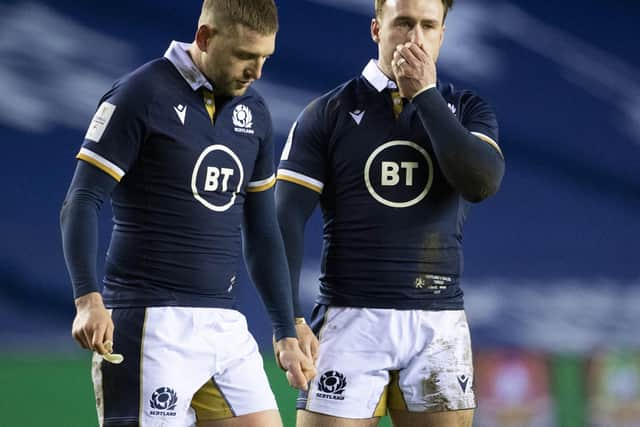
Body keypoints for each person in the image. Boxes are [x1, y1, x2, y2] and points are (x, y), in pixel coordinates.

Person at [60, 1, 315, 426]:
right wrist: (88, 300)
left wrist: (286, 328)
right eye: (244, 57)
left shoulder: (255, 113)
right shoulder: (140, 95)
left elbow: (263, 229)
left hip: (224, 323)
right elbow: (82, 200)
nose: (256, 72)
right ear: (205, 38)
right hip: (149, 325)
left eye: (264, 58)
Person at [276, 0, 505, 426]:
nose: (415, 37)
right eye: (403, 23)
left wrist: (425, 96)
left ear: (442, 34)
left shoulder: (467, 109)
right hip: (350, 315)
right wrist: (287, 319)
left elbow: (481, 183)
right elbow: (283, 220)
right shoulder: (328, 113)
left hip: (438, 319)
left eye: (428, 26)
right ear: (377, 29)